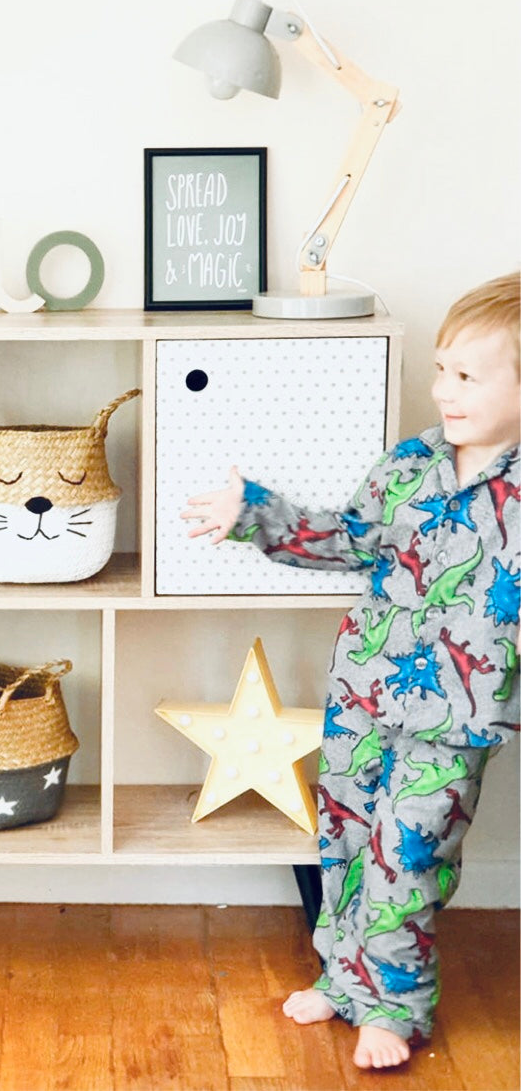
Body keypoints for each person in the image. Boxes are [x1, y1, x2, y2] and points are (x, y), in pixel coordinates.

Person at [181, 272, 520, 1071]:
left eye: (467, 376)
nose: (442, 390)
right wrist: (253, 513)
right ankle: (342, 975)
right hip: (361, 696)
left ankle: (395, 1007)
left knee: (406, 859)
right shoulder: (407, 464)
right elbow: (345, 538)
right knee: (343, 839)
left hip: (454, 721)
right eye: (440, 369)